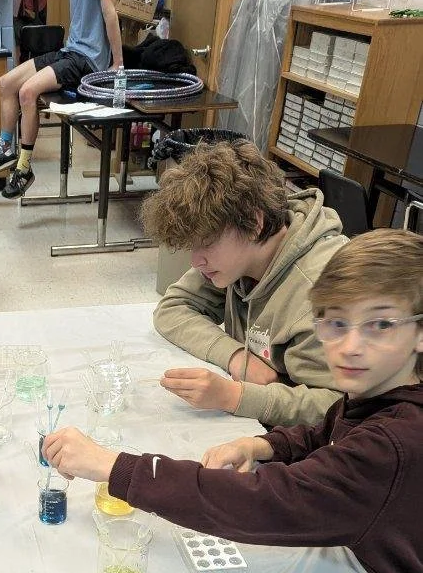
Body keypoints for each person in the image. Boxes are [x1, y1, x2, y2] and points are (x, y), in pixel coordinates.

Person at [44, 230, 423, 573]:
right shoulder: (379, 392)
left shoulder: (395, 444)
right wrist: (262, 444)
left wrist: (113, 466)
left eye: (380, 324)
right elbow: (326, 434)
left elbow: (264, 503)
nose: (350, 346)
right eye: (335, 323)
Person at [141, 139, 347, 427]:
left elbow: (342, 407)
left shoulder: (321, 292)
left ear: (253, 223)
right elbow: (173, 308)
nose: (195, 261)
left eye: (207, 244)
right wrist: (236, 356)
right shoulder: (239, 259)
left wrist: (235, 397)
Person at [0, 0, 122, 199]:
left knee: (27, 92)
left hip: (87, 60)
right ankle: (5, 150)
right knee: (6, 83)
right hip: (70, 51)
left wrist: (117, 63)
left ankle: (23, 169)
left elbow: (110, 13)